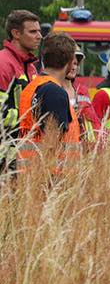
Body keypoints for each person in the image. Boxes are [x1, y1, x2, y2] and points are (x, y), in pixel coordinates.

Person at [15, 31, 82, 176]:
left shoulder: (32, 86)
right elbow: (51, 143)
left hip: (30, 173)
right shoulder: (55, 92)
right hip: (52, 177)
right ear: (70, 62)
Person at [1, 10, 42, 171]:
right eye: (33, 31)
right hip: (5, 155)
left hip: (23, 154)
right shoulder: (3, 63)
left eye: (39, 31)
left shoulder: (31, 67)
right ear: (16, 33)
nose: (39, 36)